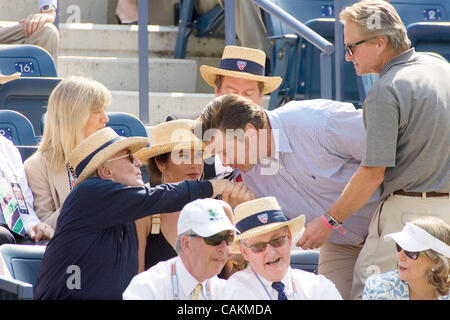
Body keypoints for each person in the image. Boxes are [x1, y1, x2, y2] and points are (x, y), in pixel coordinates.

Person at [306, 0, 450, 299]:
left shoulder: (385, 90)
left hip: (408, 216)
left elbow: (372, 174)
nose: (347, 57)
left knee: (371, 290)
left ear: (380, 42)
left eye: (352, 47)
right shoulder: (440, 66)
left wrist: (328, 221)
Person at [195, 93, 381, 299]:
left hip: (384, 223)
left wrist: (330, 220)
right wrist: (245, 209)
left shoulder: (317, 121)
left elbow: (387, 147)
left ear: (249, 133)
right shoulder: (243, 177)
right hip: (339, 244)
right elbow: (261, 244)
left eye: (225, 151)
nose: (225, 161)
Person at [34, 127, 250, 300]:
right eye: (129, 157)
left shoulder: (127, 209)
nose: (138, 162)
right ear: (105, 170)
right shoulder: (89, 193)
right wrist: (215, 186)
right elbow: (158, 196)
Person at [24, 76, 111, 230]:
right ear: (73, 117)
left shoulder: (111, 156)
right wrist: (85, 196)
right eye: (97, 111)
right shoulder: (37, 166)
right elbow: (44, 228)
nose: (106, 118)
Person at [223, 197, 342, 300]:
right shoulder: (231, 293)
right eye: (258, 246)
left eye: (277, 240)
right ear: (244, 252)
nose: (271, 252)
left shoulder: (319, 288)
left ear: (289, 238)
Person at [122, 198, 236, 299]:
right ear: (186, 244)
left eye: (229, 238)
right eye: (214, 239)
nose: (224, 247)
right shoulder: (149, 287)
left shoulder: (226, 292)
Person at [133, 119, 206, 272]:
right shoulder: (145, 210)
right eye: (183, 155)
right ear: (161, 164)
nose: (194, 164)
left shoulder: (214, 207)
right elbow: (136, 279)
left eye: (199, 154)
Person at [363, 217, 450, 300]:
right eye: (399, 247)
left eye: (411, 252)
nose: (400, 256)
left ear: (437, 261)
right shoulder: (378, 288)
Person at [0, 135, 53, 246]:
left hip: (17, 234)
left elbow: (24, 206)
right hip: (4, 236)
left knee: (51, 245)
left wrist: (35, 226)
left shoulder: (8, 148)